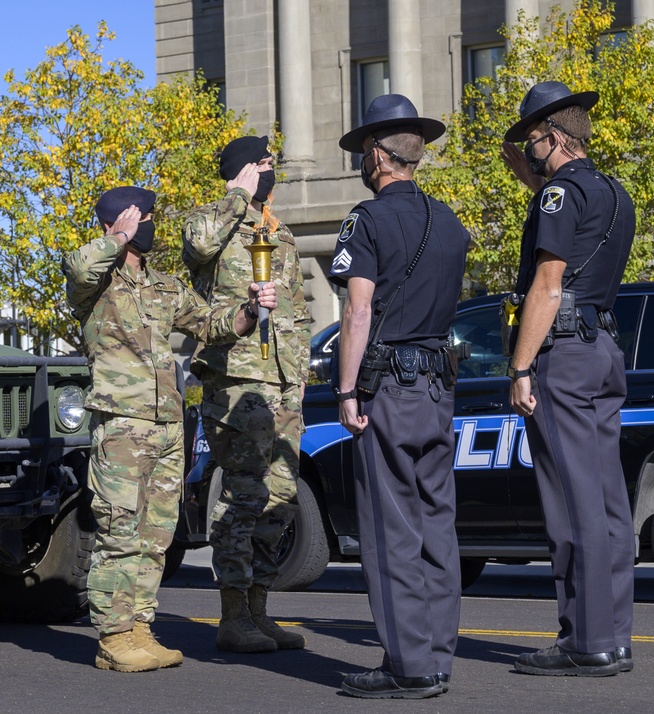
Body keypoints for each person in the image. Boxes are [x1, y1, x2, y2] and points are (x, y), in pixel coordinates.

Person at [62, 185, 277, 673]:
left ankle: (140, 627)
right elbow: (79, 268)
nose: (153, 224)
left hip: (168, 425)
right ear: (120, 223)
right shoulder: (97, 282)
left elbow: (210, 326)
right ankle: (114, 637)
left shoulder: (165, 285)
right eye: (146, 217)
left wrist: (249, 309)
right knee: (119, 529)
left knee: (155, 535)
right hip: (122, 423)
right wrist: (116, 238)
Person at [328, 94, 470, 700]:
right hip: (439, 384)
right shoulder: (451, 221)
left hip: (388, 384)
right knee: (436, 520)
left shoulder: (368, 219)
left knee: (390, 526)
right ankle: (435, 654)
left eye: (366, 152)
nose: (364, 162)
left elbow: (358, 310)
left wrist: (346, 388)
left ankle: (407, 666)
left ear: (380, 158)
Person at [500, 81, 636, 677]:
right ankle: (613, 635)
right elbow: (574, 232)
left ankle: (585, 641)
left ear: (554, 138)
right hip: (603, 345)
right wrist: (531, 176)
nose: (528, 151)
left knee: (570, 503)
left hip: (565, 354)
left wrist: (521, 366)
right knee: (606, 501)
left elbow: (549, 283)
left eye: (533, 140)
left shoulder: (557, 196)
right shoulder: (612, 191)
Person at [182, 136, 311, 654]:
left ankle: (259, 610)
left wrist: (299, 376)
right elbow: (199, 248)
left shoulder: (278, 232)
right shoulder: (209, 220)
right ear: (242, 170)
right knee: (244, 495)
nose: (271, 170)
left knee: (280, 499)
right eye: (263, 163)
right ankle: (233, 616)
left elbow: (297, 311)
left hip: (281, 383)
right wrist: (237, 193)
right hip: (235, 382)